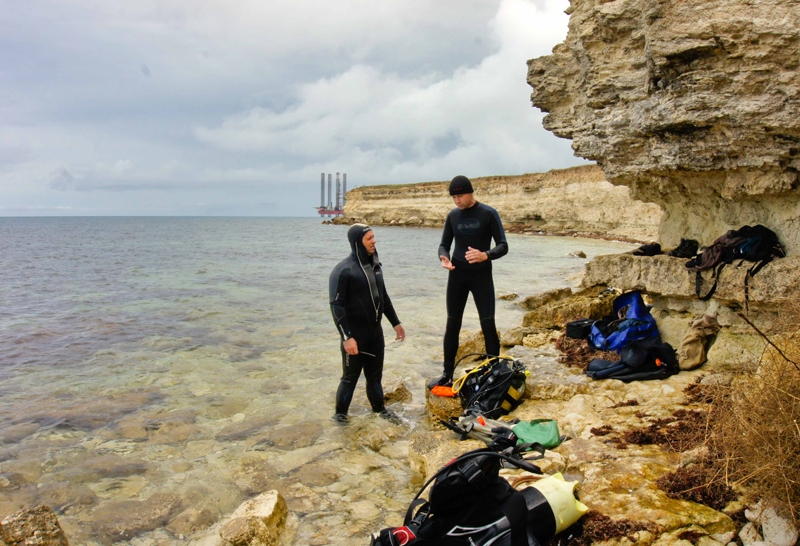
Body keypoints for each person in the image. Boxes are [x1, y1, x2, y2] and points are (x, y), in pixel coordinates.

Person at [429, 175, 508, 388]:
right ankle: (447, 374)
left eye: (460, 195)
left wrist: (486, 255)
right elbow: (444, 244)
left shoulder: (489, 213)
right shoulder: (453, 216)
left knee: (487, 322)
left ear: (471, 192)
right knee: (452, 323)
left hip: (481, 275)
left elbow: (503, 245)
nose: (457, 201)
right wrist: (443, 257)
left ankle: (495, 371)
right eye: (454, 197)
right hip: (457, 275)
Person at [329, 224, 406, 423]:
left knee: (375, 377)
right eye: (369, 238)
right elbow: (336, 306)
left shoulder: (375, 265)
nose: (374, 241)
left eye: (374, 237)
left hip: (375, 334)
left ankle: (380, 411)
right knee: (350, 379)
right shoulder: (343, 270)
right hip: (355, 335)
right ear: (357, 243)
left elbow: (383, 296)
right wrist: (347, 337)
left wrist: (395, 323)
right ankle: (340, 417)